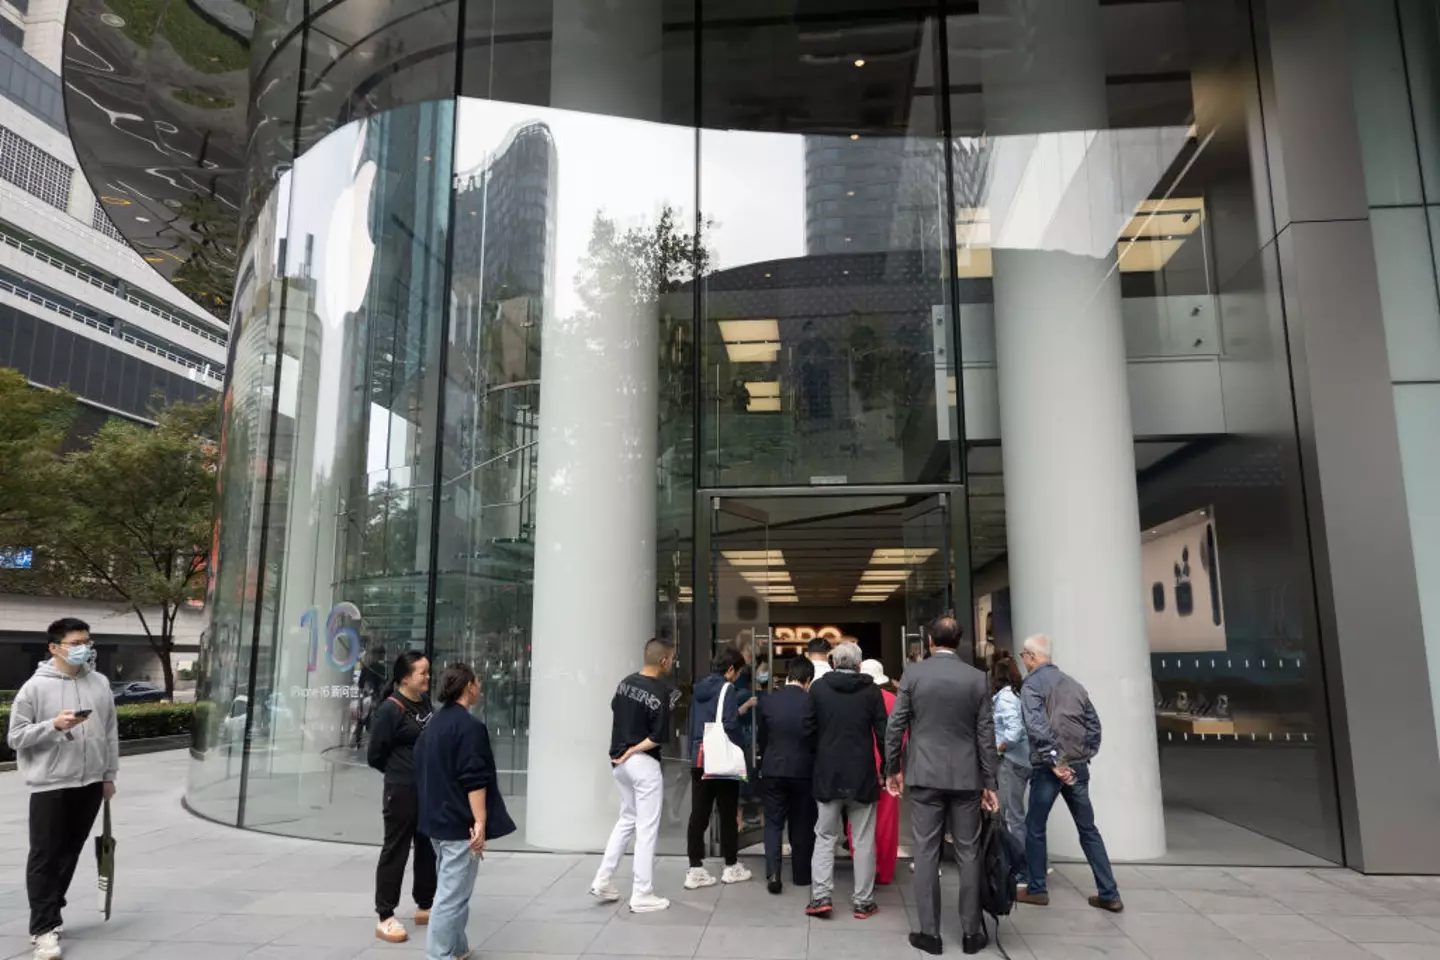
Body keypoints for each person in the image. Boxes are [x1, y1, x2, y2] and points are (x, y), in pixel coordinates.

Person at [884, 616, 998, 957]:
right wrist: (990, 782)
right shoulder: (977, 678)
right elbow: (986, 734)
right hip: (966, 776)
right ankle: (971, 934)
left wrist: (892, 768)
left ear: (930, 641)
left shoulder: (914, 674)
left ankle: (929, 934)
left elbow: (896, 725)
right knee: (968, 853)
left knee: (926, 851)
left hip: (924, 774)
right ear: (959, 642)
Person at [6, 618, 119, 960]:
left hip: (91, 783)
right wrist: (53, 726)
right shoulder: (34, 688)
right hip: (50, 784)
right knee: (45, 856)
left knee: (69, 853)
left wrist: (108, 775)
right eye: (76, 643)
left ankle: (51, 914)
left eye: (87, 641)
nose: (85, 648)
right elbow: (15, 737)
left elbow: (110, 731)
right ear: (54, 648)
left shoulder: (99, 682)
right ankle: (43, 929)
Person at [1015, 634, 1123, 913]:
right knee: (1088, 829)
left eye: (1024, 656)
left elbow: (1037, 727)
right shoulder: (1074, 684)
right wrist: (1083, 755)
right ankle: (1109, 893)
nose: (1023, 661)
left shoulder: (1032, 685)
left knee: (1035, 826)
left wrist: (1056, 762)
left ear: (1032, 656)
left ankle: (1037, 888)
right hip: (1077, 767)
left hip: (1049, 769)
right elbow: (1094, 725)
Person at [415, 663, 516, 960]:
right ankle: (438, 955)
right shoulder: (469, 727)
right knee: (451, 897)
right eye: (477, 682)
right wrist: (480, 822)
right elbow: (474, 779)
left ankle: (457, 948)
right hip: (459, 824)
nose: (479, 687)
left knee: (454, 892)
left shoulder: (434, 723)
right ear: (468, 686)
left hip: (437, 821)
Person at [590, 637, 676, 914]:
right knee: (647, 828)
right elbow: (657, 737)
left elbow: (615, 709)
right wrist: (634, 749)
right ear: (663, 660)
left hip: (619, 763)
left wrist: (625, 751)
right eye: (672, 658)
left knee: (627, 819)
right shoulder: (661, 691)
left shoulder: (625, 683)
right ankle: (642, 893)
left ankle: (603, 879)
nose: (673, 663)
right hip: (642, 764)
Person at [803, 641, 888, 920]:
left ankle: (821, 897)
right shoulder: (872, 691)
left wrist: (818, 756)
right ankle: (863, 901)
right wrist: (889, 768)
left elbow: (807, 729)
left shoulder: (818, 688)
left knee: (825, 836)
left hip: (827, 773)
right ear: (859, 665)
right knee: (863, 840)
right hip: (862, 773)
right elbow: (884, 733)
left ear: (833, 662)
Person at [367, 651, 436, 944]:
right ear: (405, 678)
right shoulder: (390, 709)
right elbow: (375, 755)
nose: (428, 677)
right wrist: (400, 770)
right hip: (401, 790)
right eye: (423, 673)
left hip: (427, 788)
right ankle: (385, 915)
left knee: (426, 847)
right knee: (396, 849)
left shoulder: (425, 702)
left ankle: (425, 903)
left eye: (428, 671)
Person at [685, 644, 751, 888]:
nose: (737, 676)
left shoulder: (699, 688)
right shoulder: (727, 688)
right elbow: (730, 724)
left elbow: (693, 723)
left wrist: (692, 752)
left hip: (699, 757)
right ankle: (731, 866)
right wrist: (740, 748)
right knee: (727, 813)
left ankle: (695, 868)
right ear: (730, 669)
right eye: (738, 672)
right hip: (720, 759)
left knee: (699, 814)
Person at [756, 656, 816, 895]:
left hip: (773, 768)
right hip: (803, 770)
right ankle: (801, 875)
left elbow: (762, 737)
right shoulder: (811, 701)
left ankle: (774, 874)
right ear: (807, 679)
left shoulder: (769, 701)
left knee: (773, 822)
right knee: (802, 821)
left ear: (789, 675)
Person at [855, 659, 900, 886]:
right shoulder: (894, 700)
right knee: (886, 820)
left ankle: (863, 870)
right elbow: (902, 736)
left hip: (859, 764)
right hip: (889, 764)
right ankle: (884, 871)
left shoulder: (855, 699)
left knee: (858, 821)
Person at [991, 653, 1030, 873]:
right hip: (1023, 760)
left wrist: (999, 747)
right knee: (1015, 814)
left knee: (1011, 815)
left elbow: (1014, 731)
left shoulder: (1005, 697)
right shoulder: (1018, 694)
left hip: (1011, 761)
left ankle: (1020, 868)